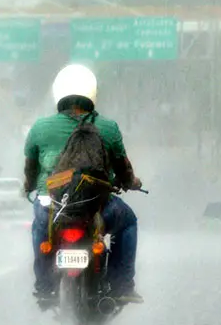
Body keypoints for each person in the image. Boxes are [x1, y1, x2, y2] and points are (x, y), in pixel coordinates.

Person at [22, 63, 144, 306]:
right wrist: (132, 182)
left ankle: (45, 285)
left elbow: (30, 169)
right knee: (128, 221)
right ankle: (122, 284)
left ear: (59, 93)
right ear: (92, 94)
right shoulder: (108, 128)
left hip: (52, 205)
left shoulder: (40, 128)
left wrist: (29, 187)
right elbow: (124, 169)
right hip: (96, 206)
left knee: (39, 226)